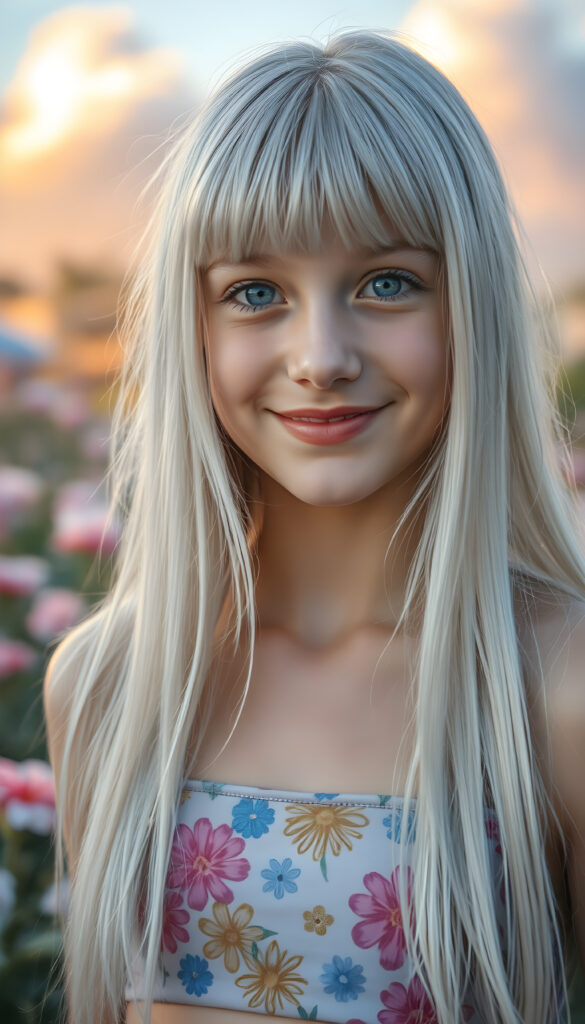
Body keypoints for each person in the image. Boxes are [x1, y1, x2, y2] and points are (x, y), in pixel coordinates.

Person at [44, 30, 585, 1024]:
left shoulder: (552, 683)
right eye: (256, 293)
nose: (321, 355)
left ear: (471, 306)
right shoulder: (111, 684)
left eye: (387, 282)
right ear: (191, 328)